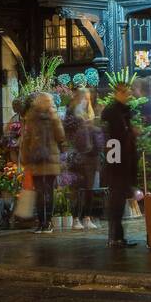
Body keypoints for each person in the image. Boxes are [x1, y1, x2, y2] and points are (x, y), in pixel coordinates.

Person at [19, 92, 65, 234]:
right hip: (50, 160)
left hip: (36, 160)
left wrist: (25, 160)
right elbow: (61, 136)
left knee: (40, 192)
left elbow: (26, 140)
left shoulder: (30, 117)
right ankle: (48, 223)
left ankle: (41, 223)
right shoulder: (53, 116)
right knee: (48, 191)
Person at [101, 83, 139, 248]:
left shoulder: (122, 112)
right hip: (118, 165)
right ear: (119, 93)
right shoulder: (114, 114)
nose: (129, 96)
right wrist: (116, 166)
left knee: (119, 201)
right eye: (126, 93)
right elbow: (114, 142)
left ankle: (118, 237)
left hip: (122, 163)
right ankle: (115, 238)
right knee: (116, 202)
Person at [66, 87, 101, 230]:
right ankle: (75, 218)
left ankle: (87, 217)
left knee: (89, 189)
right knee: (76, 189)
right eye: (84, 98)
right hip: (77, 155)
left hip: (91, 156)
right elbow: (67, 131)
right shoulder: (71, 113)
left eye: (88, 99)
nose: (86, 101)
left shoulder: (91, 114)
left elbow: (97, 135)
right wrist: (81, 123)